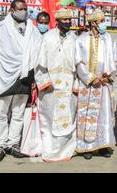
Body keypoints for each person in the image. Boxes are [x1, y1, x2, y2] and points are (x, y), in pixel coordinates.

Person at [0, 0, 41, 162]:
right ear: (11, 10)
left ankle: (13, 143)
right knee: (1, 113)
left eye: (25, 9)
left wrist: (35, 78)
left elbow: (36, 55)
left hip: (24, 78)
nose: (23, 12)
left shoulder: (32, 29)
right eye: (20, 9)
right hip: (3, 77)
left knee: (18, 113)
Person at [34, 9, 78, 162]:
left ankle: (67, 150)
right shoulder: (47, 37)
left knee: (69, 117)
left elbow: (78, 64)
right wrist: (44, 82)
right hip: (51, 86)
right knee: (50, 117)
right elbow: (39, 64)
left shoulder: (74, 38)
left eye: (69, 20)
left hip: (68, 85)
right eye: (64, 20)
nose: (67, 22)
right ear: (58, 21)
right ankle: (50, 151)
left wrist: (76, 84)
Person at [74, 9, 117, 159]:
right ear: (93, 23)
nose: (104, 24)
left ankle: (104, 145)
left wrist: (108, 76)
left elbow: (114, 58)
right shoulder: (81, 39)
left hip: (104, 84)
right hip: (88, 84)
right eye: (101, 21)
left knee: (104, 114)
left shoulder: (108, 38)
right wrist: (91, 78)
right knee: (86, 115)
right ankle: (87, 146)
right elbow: (78, 62)